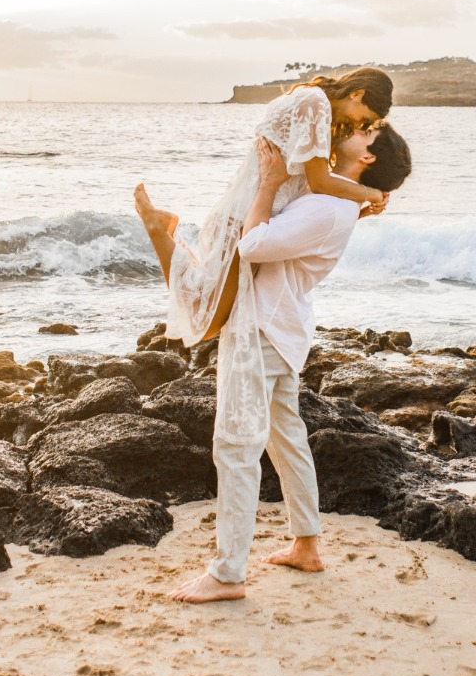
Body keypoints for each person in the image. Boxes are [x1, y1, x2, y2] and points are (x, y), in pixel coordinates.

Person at [136, 121, 412, 603]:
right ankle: (307, 545)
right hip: (283, 325)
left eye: (366, 132)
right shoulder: (335, 198)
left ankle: (227, 575)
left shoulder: (330, 206)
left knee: (235, 446)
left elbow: (254, 245)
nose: (353, 130)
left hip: (261, 328)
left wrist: (266, 183)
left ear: (367, 156)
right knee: (286, 438)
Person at [135, 67, 394, 451]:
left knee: (206, 314)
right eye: (366, 118)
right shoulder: (314, 103)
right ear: (357, 94)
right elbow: (320, 182)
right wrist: (367, 191)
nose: (361, 126)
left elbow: (309, 188)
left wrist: (355, 207)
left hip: (260, 216)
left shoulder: (317, 108)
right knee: (204, 318)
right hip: (247, 217)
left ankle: (165, 231)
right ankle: (159, 229)